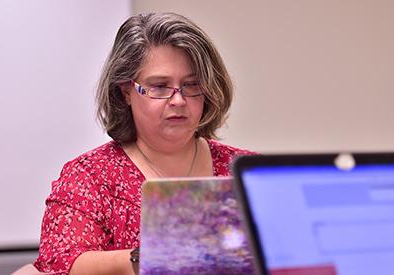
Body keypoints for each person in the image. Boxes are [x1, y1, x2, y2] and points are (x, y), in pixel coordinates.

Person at [33, 12, 255, 274]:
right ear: (125, 91)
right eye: (160, 86)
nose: (178, 101)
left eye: (192, 85)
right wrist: (151, 258)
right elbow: (59, 265)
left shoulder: (246, 170)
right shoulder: (89, 177)